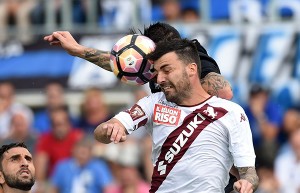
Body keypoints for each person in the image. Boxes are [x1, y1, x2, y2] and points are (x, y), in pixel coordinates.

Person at [94, 38, 259, 193]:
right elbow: (102, 131)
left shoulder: (232, 112)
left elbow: (249, 173)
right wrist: (111, 128)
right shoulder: (153, 103)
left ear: (192, 69)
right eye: (157, 72)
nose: (159, 79)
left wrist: (246, 183)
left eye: (167, 70)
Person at [43, 22, 233, 100]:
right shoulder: (151, 62)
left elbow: (224, 92)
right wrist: (78, 50)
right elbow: (120, 63)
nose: (158, 74)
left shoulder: (194, 55)